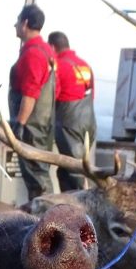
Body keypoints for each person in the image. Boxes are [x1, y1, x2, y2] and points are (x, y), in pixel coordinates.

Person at [9, 4, 58, 200]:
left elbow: (30, 93)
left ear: (25, 23)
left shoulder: (33, 54)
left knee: (37, 177)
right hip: (42, 123)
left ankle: (45, 221)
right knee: (38, 173)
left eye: (17, 21)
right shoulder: (46, 51)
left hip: (32, 126)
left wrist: (19, 123)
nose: (14, 25)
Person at [48, 31, 97, 191]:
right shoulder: (84, 65)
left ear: (52, 47)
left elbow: (54, 93)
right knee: (68, 168)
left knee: (74, 170)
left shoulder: (59, 65)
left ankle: (78, 211)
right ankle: (68, 207)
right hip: (88, 120)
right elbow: (91, 93)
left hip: (69, 122)